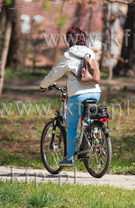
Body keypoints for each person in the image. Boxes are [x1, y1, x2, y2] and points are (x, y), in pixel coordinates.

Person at [39, 27, 101, 167]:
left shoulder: (68, 55)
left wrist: (43, 85)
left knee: (72, 126)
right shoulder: (90, 52)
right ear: (84, 39)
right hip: (95, 92)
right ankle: (95, 130)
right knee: (88, 118)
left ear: (69, 40)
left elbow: (55, 73)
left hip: (78, 95)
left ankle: (69, 159)